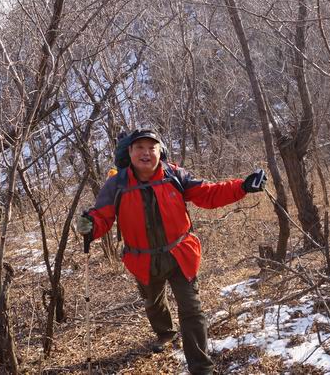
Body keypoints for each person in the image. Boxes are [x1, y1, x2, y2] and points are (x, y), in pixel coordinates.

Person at [76, 129, 266, 375]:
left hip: (180, 254)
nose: (146, 152)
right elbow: (101, 216)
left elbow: (207, 193)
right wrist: (90, 225)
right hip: (142, 260)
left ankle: (201, 369)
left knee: (192, 310)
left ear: (160, 152)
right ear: (130, 153)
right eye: (140, 147)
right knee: (153, 302)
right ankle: (165, 333)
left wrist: (241, 186)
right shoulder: (117, 184)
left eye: (151, 147)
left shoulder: (175, 175)